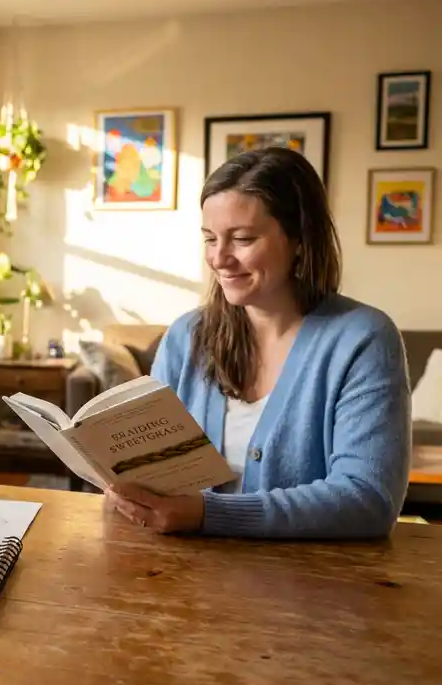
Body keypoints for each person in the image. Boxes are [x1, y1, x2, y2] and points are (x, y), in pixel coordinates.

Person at [107, 147, 411, 539]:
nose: (219, 258)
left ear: (299, 238)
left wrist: (207, 514)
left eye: (243, 239)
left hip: (314, 586)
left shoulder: (363, 339)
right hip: (178, 577)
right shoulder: (186, 337)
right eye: (209, 239)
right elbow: (146, 470)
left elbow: (368, 500)